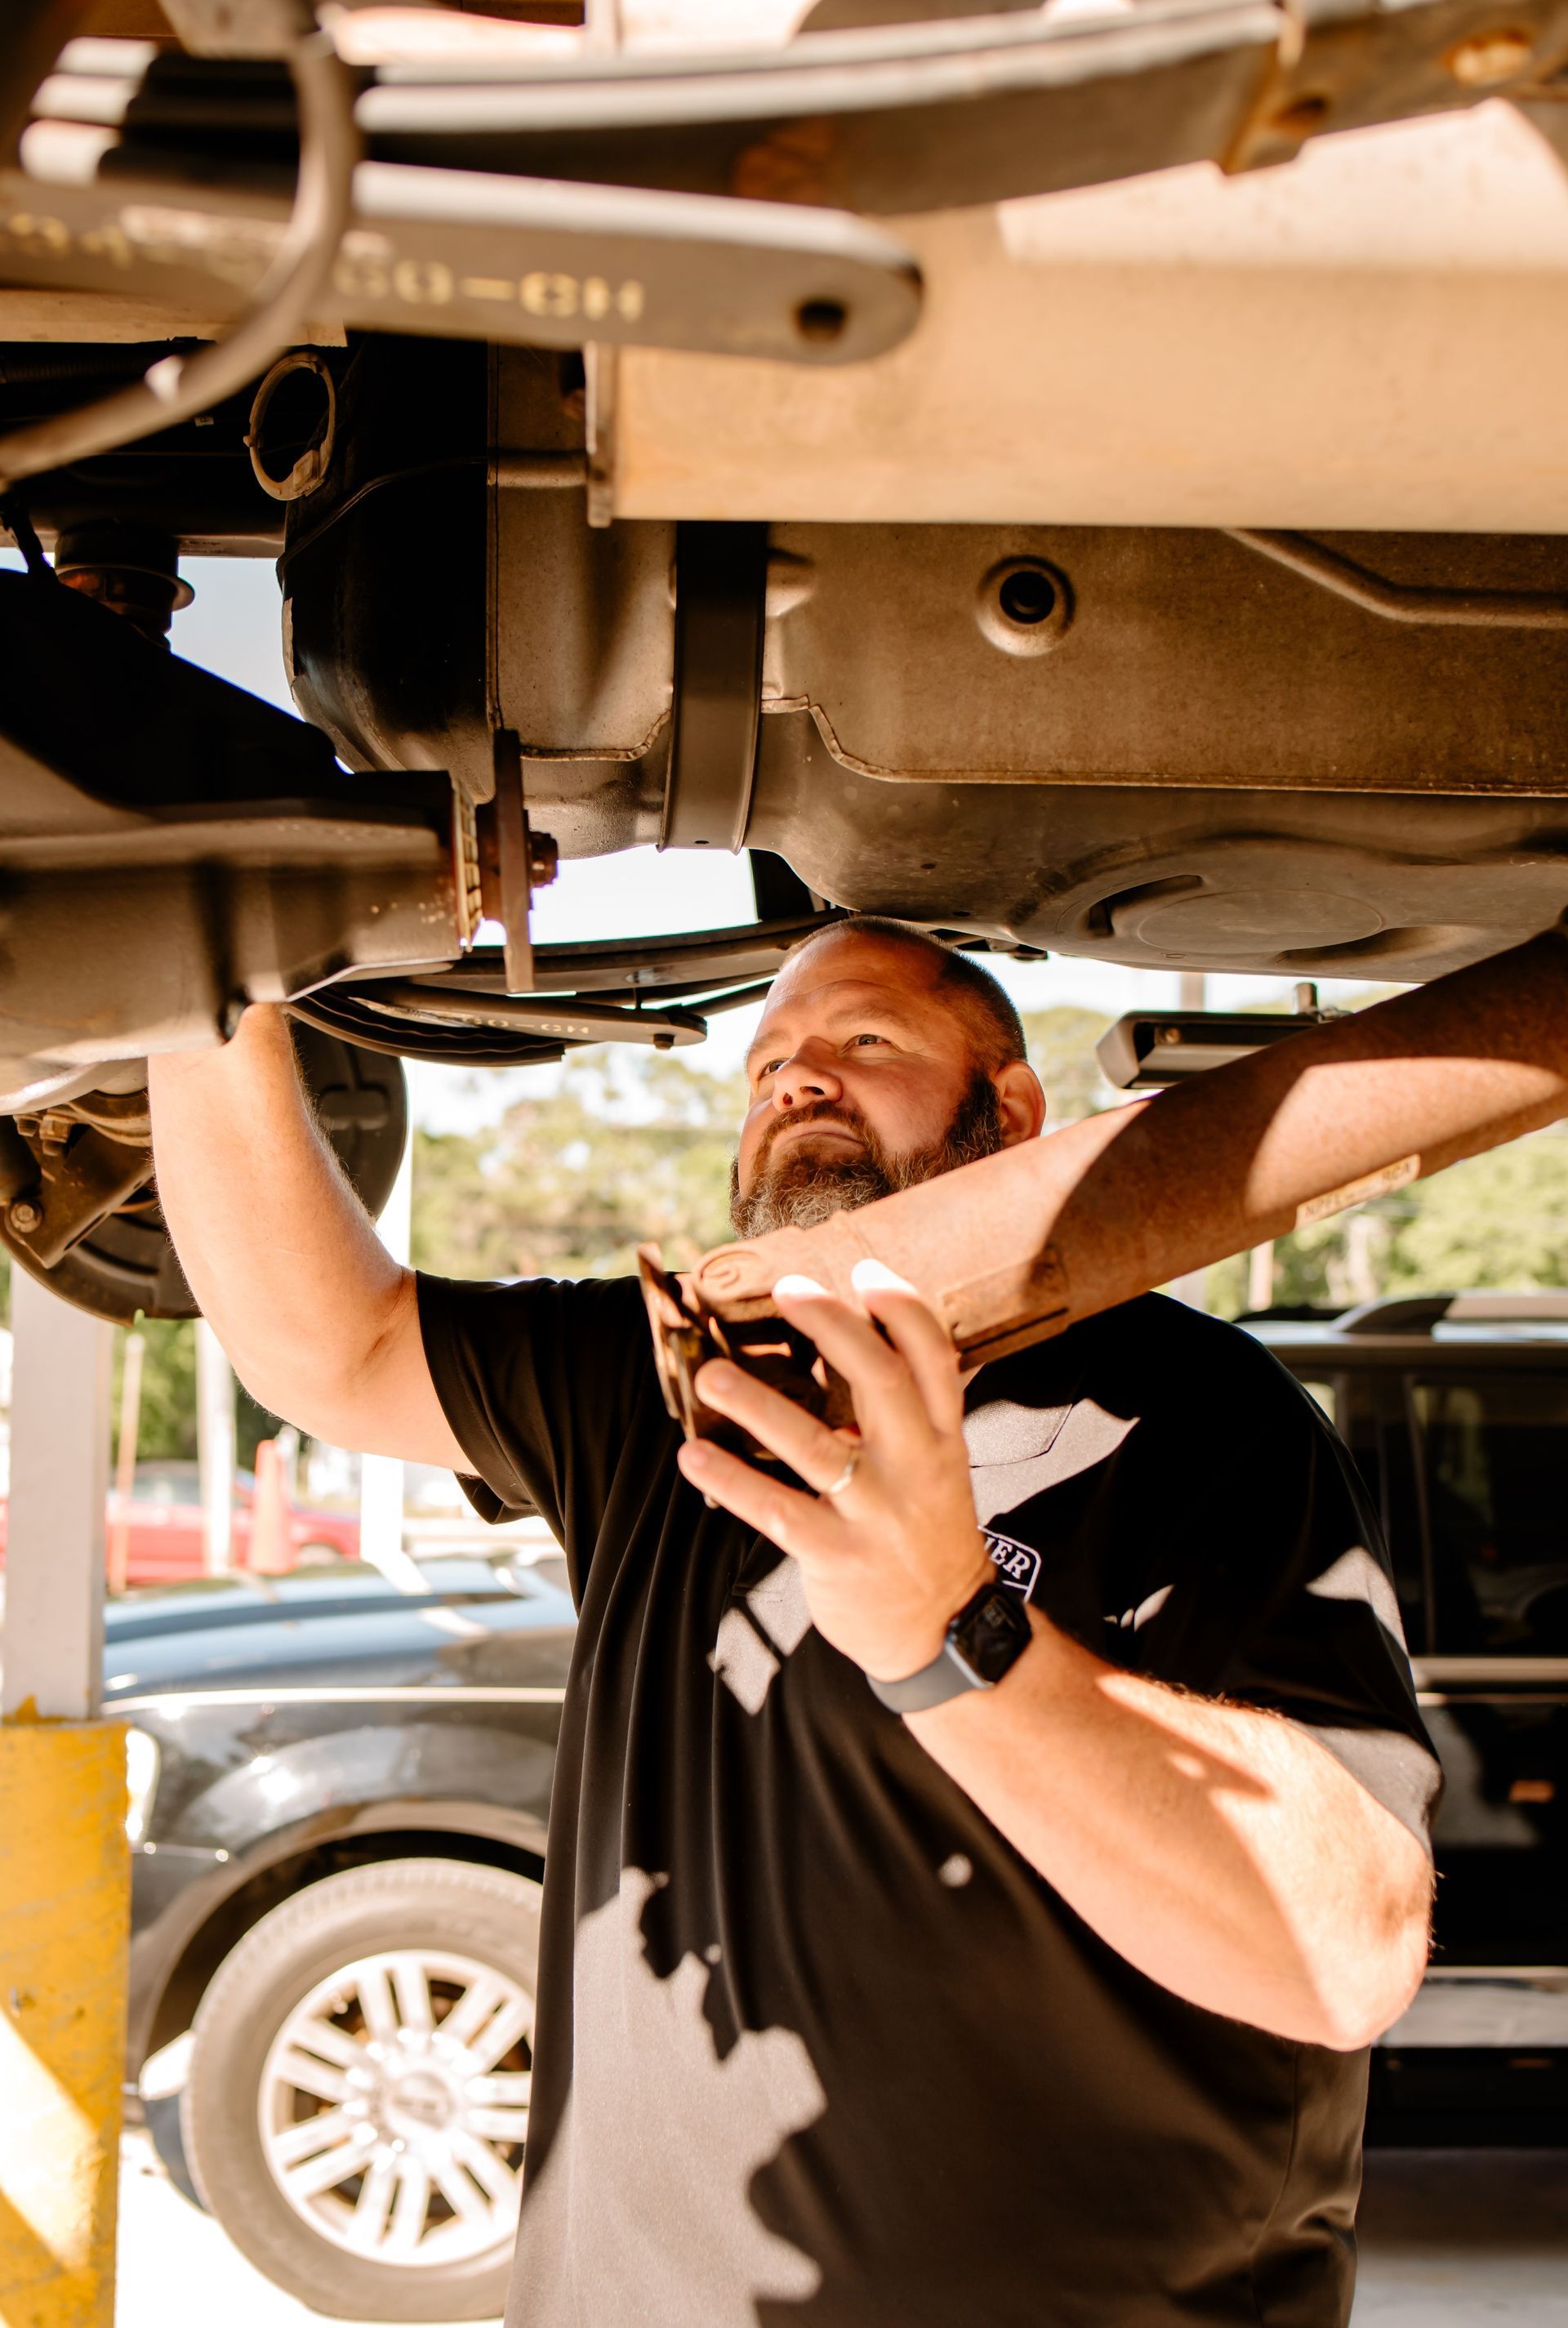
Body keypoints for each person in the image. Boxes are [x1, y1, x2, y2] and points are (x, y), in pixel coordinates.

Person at [149, 916, 1440, 2328]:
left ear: (1007, 1110)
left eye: (864, 1044)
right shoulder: (670, 1385)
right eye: (768, 1064)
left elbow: (1345, 1950)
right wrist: (195, 968)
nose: (797, 1081)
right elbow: (330, 1349)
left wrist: (956, 1628)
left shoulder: (1196, 1420)